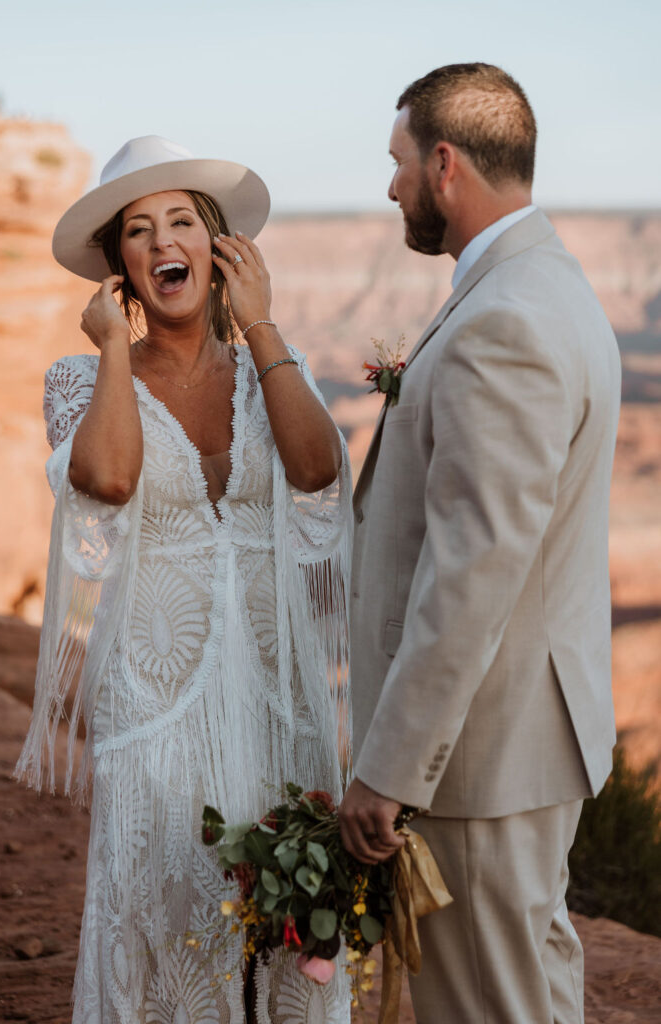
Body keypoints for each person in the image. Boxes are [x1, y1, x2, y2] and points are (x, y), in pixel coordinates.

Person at [16, 135, 352, 1024]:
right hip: (155, 712)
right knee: (165, 926)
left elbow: (319, 476)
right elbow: (110, 480)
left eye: (182, 223)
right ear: (120, 266)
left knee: (289, 942)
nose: (164, 242)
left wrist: (263, 323)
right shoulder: (77, 382)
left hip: (278, 704)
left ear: (218, 247)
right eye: (138, 230)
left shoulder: (271, 372)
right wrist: (115, 352)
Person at [339, 63, 621, 1023]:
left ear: (445, 163)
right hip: (532, 742)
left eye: (399, 162)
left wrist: (390, 768)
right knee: (532, 993)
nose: (389, 187)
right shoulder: (550, 283)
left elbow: (475, 568)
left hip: (480, 760)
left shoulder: (500, 318)